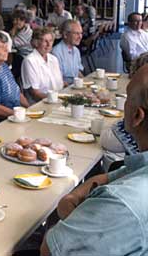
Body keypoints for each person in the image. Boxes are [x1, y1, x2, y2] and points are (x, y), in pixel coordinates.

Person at [40, 63, 148, 256]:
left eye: (127, 98)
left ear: (137, 116)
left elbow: (50, 251)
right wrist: (74, 197)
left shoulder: (121, 203)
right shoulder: (140, 170)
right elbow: (113, 176)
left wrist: (65, 221)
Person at [21, 27, 64, 104]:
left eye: (50, 41)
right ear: (36, 43)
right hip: (40, 104)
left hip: (57, 100)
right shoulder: (30, 61)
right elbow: (35, 93)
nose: (48, 44)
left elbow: (60, 84)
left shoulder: (53, 59)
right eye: (45, 41)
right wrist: (56, 99)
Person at [52, 20, 84, 85]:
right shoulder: (56, 52)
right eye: (76, 33)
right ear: (65, 35)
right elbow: (58, 80)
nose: (80, 37)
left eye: (81, 33)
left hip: (75, 86)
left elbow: (78, 72)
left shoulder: (76, 51)